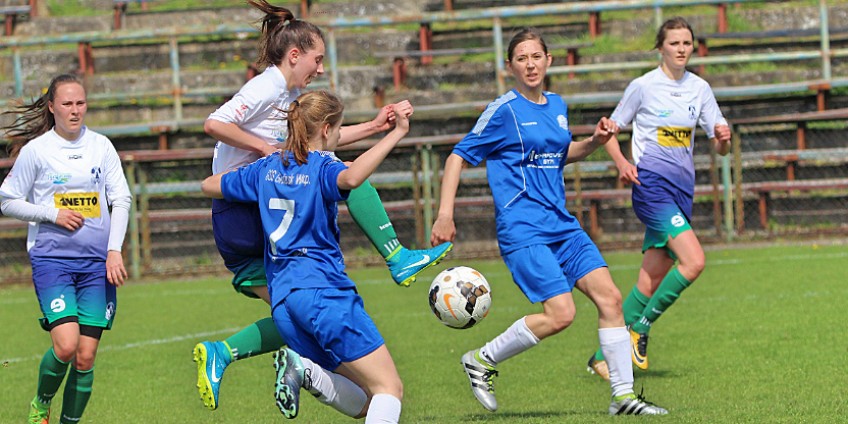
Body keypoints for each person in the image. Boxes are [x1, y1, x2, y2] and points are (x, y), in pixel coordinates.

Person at [193, 0, 451, 411]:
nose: (320, 69)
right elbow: (213, 124)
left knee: (293, 315)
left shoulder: (291, 97)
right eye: (317, 59)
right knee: (343, 178)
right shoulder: (267, 87)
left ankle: (251, 358)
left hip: (251, 199)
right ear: (294, 55)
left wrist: (371, 126)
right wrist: (266, 149)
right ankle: (395, 255)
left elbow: (317, 139)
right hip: (242, 210)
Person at [430, 28, 668, 416]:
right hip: (523, 228)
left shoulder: (557, 104)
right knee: (562, 314)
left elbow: (560, 154)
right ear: (510, 66)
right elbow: (458, 156)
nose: (530, 64)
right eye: (521, 58)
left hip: (562, 225)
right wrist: (445, 213)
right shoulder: (503, 110)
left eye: (536, 56)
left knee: (610, 299)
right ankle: (481, 358)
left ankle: (623, 398)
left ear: (549, 60)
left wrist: (592, 142)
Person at [201, 90, 407, 422]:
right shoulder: (323, 165)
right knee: (389, 388)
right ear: (326, 128)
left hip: (284, 302)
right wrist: (396, 133)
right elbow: (353, 178)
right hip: (322, 291)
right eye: (339, 129)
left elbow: (209, 185)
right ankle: (305, 368)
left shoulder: (265, 168)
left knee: (366, 401)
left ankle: (306, 372)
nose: (339, 136)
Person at [586, 17, 732, 380]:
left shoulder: (700, 88)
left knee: (650, 281)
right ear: (660, 47)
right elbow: (609, 130)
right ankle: (642, 327)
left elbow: (721, 146)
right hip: (651, 188)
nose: (681, 49)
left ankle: (600, 356)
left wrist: (723, 138)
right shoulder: (643, 87)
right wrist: (622, 163)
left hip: (682, 191)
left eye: (687, 43)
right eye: (674, 43)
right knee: (694, 261)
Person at [0, 74, 132, 424]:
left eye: (80, 103)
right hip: (52, 261)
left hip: (96, 266)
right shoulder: (37, 151)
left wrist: (114, 250)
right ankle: (41, 403)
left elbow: (121, 198)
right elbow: (7, 200)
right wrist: (52, 213)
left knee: (86, 357)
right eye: (67, 104)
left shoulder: (102, 146)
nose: (75, 111)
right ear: (52, 107)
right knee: (67, 345)